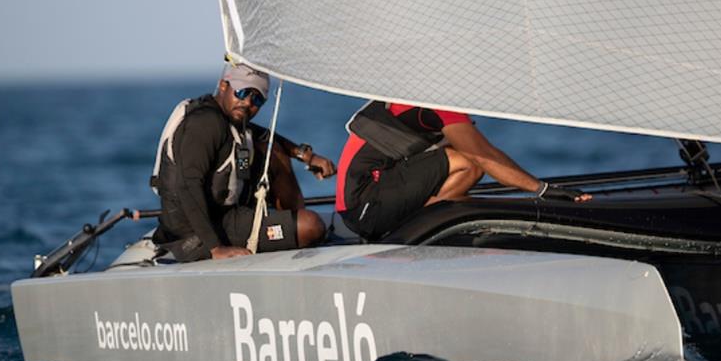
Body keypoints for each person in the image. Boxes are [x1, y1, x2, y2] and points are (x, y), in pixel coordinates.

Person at [151, 64, 336, 261]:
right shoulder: (205, 123)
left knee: (273, 151)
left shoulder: (225, 116)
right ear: (223, 86)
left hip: (223, 215)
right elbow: (187, 186)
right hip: (193, 236)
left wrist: (305, 155)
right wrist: (216, 248)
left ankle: (289, 227)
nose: (247, 103)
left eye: (256, 99)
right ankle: (294, 232)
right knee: (311, 226)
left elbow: (265, 135)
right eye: (242, 92)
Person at [336, 101, 592, 240]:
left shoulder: (418, 96)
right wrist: (543, 190)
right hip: (364, 209)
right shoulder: (437, 104)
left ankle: (426, 222)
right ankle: (418, 227)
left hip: (359, 209)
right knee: (467, 163)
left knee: (464, 163)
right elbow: (483, 157)